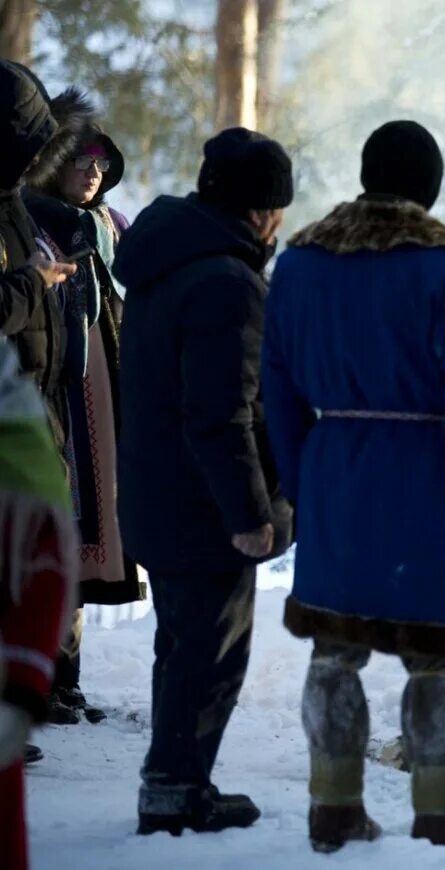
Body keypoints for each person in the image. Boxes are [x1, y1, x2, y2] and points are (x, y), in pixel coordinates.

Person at [262, 120, 445, 854]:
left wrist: (301, 478)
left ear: (367, 175)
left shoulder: (302, 263)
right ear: (430, 187)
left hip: (335, 474)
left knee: (334, 649)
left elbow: (273, 387)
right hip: (428, 482)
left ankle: (332, 807)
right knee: (437, 656)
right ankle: (444, 813)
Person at [112, 127, 294, 835]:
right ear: (259, 212)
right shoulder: (225, 283)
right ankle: (177, 791)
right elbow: (221, 414)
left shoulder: (168, 262)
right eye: (277, 208)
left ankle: (173, 778)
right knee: (210, 654)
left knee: (182, 645)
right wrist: (251, 513)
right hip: (203, 506)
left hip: (160, 495)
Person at [24, 87, 143, 726]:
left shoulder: (113, 228)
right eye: (79, 158)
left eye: (100, 158)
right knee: (57, 525)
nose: (94, 169)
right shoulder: (33, 221)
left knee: (93, 533)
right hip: (56, 387)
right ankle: (38, 674)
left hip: (101, 386)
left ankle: (65, 675)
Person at [0, 59, 83, 771]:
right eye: (25, 140)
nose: (35, 156)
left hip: (26, 407)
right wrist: (34, 281)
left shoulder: (11, 200)